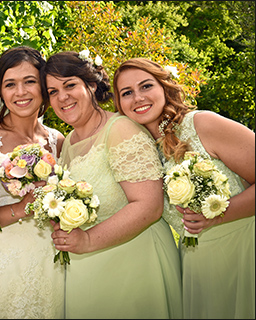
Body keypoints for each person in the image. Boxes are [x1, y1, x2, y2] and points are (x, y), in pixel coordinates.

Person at [41, 51, 183, 319]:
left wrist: (88, 240)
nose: (62, 97)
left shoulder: (120, 129)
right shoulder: (68, 142)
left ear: (91, 86)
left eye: (70, 85)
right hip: (89, 269)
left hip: (136, 265)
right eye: (53, 91)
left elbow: (149, 206)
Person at [112, 57, 255, 319]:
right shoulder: (139, 152)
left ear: (164, 88)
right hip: (198, 266)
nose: (138, 98)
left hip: (244, 250)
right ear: (119, 104)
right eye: (127, 93)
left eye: (146, 86)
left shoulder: (201, 124)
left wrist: (220, 212)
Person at [0, 46, 66, 319]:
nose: (20, 92)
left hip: (49, 262)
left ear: (43, 86)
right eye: (10, 84)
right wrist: (21, 208)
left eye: (29, 81)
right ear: (0, 92)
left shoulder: (59, 141)